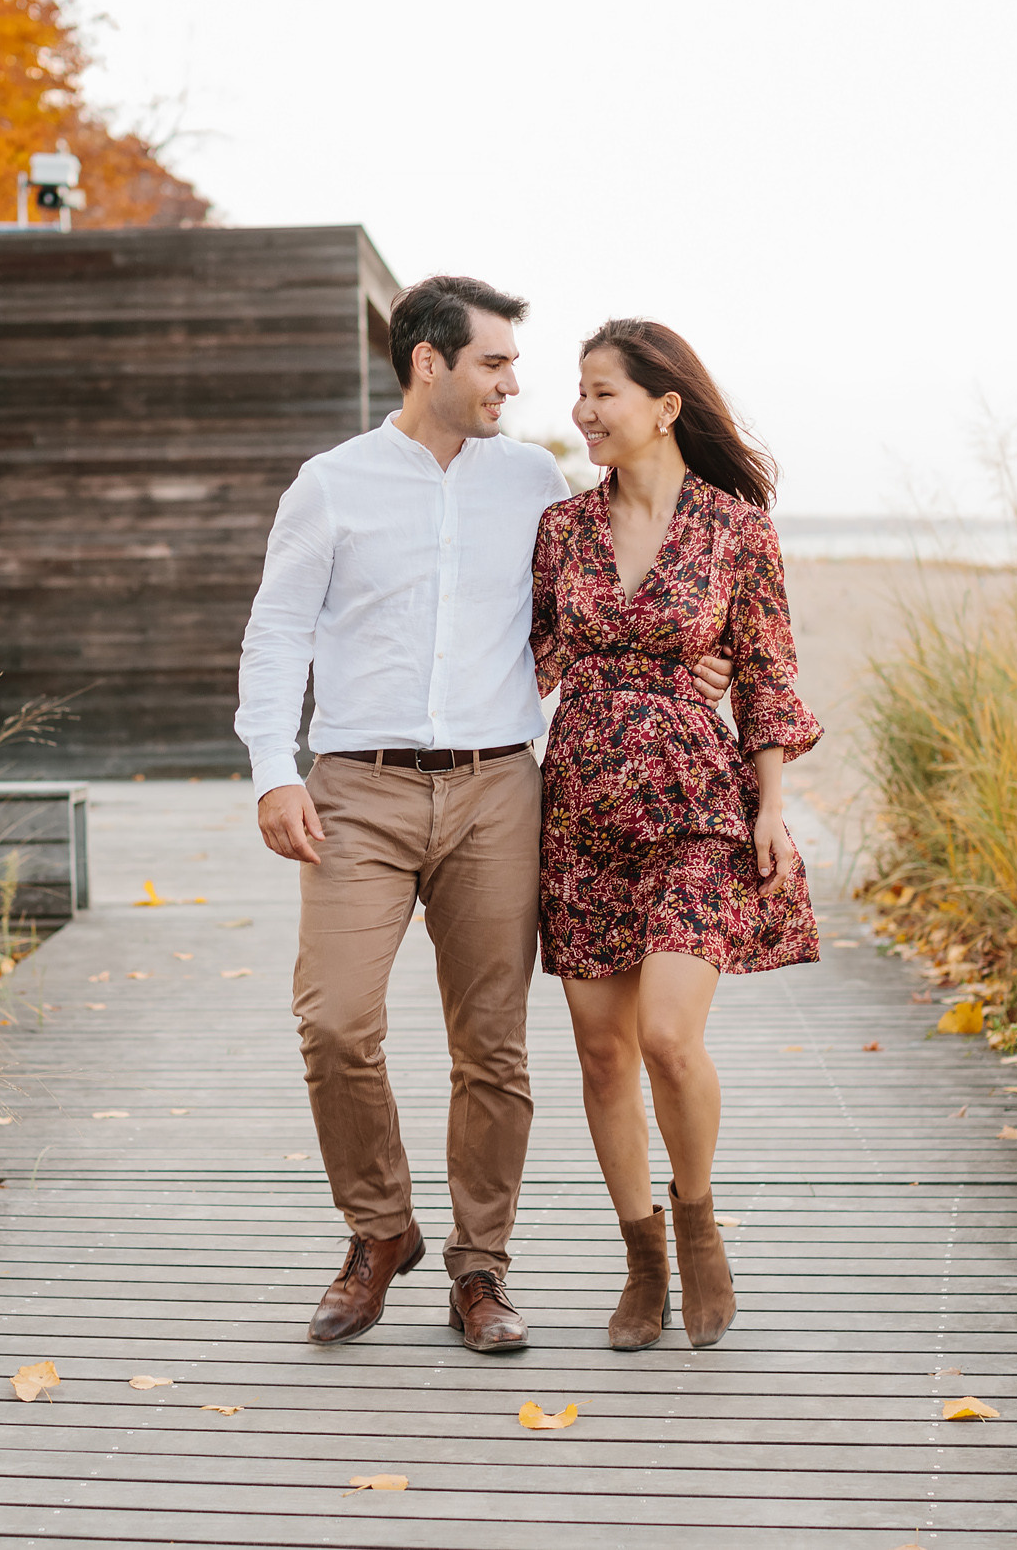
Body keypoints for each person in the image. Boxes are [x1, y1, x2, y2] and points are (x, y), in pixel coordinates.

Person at [235, 277, 732, 1352]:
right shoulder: (331, 485)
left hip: (503, 789)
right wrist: (274, 768)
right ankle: (379, 1232)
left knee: (493, 1048)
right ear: (429, 364)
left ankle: (478, 1268)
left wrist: (694, 679)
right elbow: (276, 631)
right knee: (334, 1022)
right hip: (356, 789)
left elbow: (607, 608)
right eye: (496, 364)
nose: (518, 382)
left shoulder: (537, 485)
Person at [530, 317, 821, 1350]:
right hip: (579, 808)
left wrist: (771, 803)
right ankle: (641, 1256)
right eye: (578, 390)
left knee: (664, 1035)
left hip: (698, 803)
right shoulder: (561, 530)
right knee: (602, 1055)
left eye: (601, 392)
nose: (582, 410)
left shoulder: (736, 530)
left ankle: (698, 1224)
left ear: (663, 407)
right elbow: (522, 657)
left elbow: (768, 672)